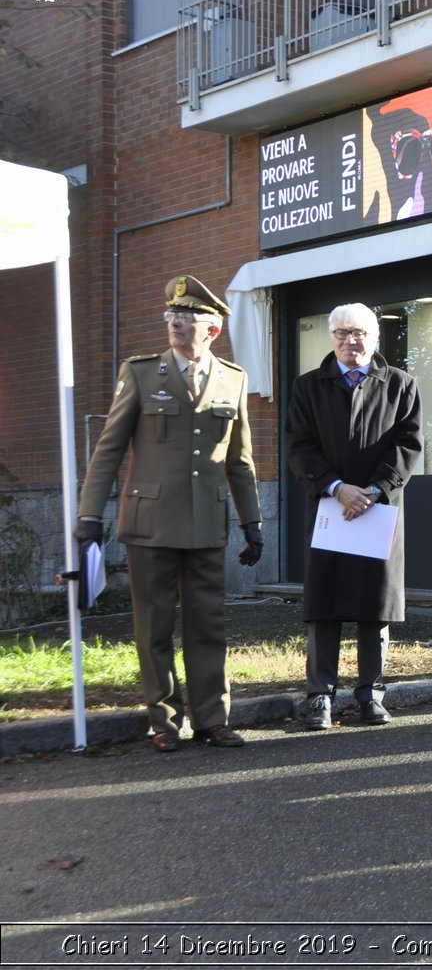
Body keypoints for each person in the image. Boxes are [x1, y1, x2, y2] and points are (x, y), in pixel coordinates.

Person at [75, 276, 262, 752]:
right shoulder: (140, 373)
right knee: (153, 626)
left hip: (205, 523)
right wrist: (89, 517)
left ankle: (211, 719)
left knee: (208, 626)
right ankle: (163, 721)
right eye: (172, 317)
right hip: (150, 523)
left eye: (189, 318)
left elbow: (239, 461)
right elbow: (108, 450)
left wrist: (253, 523)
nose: (177, 324)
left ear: (213, 329)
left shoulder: (233, 379)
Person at [286, 303, 423, 729]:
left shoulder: (401, 384)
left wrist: (375, 490)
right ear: (331, 338)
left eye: (360, 332)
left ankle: (371, 693)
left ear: (376, 336)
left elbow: (410, 445)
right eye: (342, 333)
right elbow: (298, 446)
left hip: (378, 509)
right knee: (324, 606)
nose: (351, 341)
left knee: (374, 605)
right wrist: (336, 487)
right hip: (330, 508)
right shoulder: (308, 387)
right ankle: (320, 696)